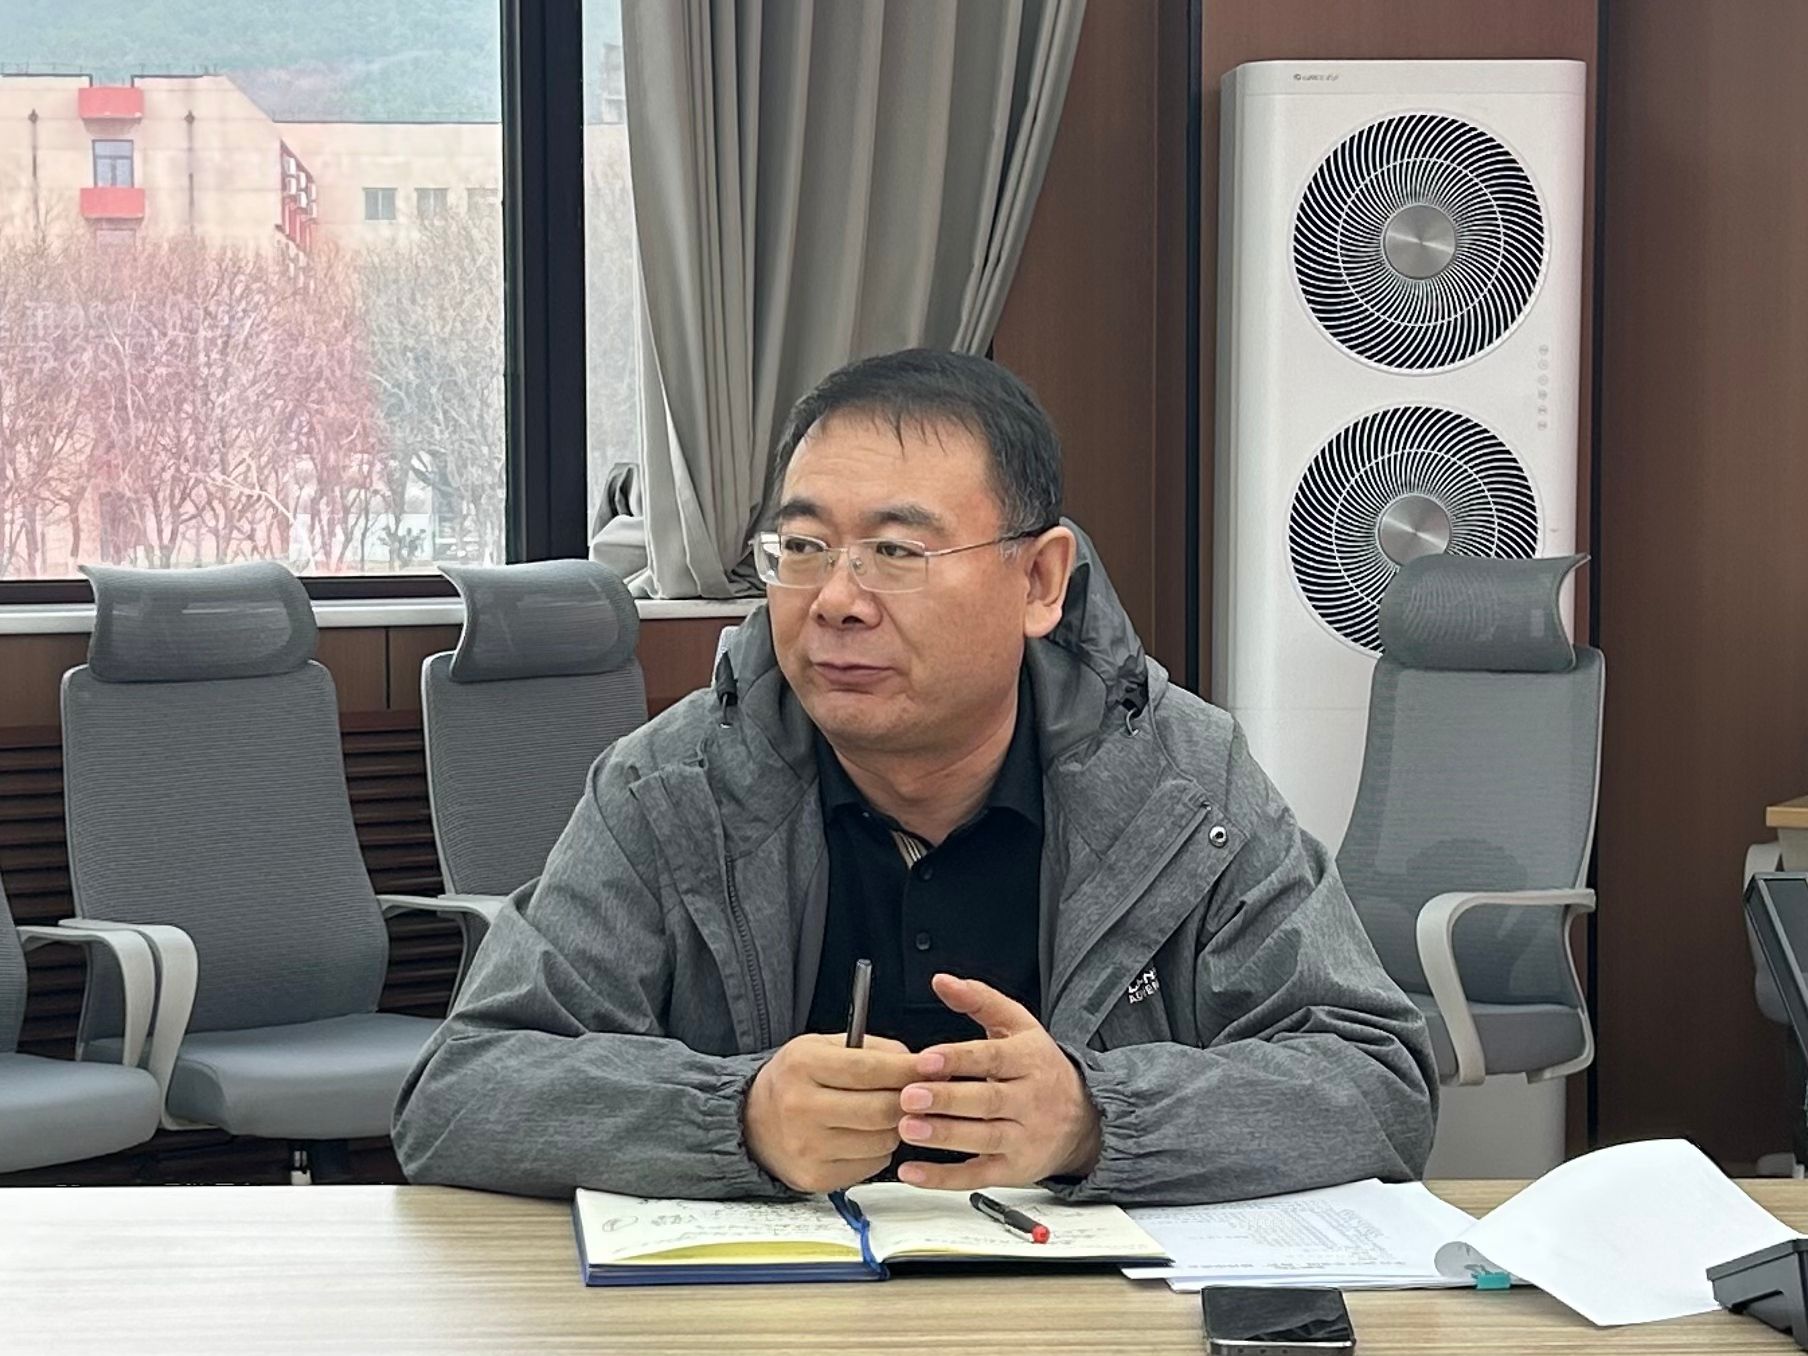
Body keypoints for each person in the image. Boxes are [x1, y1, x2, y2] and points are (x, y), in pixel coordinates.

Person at [392, 348, 1436, 1202]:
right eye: (803, 547)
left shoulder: (1182, 782)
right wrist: (735, 1118)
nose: (836, 599)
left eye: (895, 553)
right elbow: (464, 1090)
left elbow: (1373, 1079)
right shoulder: (672, 786)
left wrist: (1092, 1118)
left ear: (1039, 580)